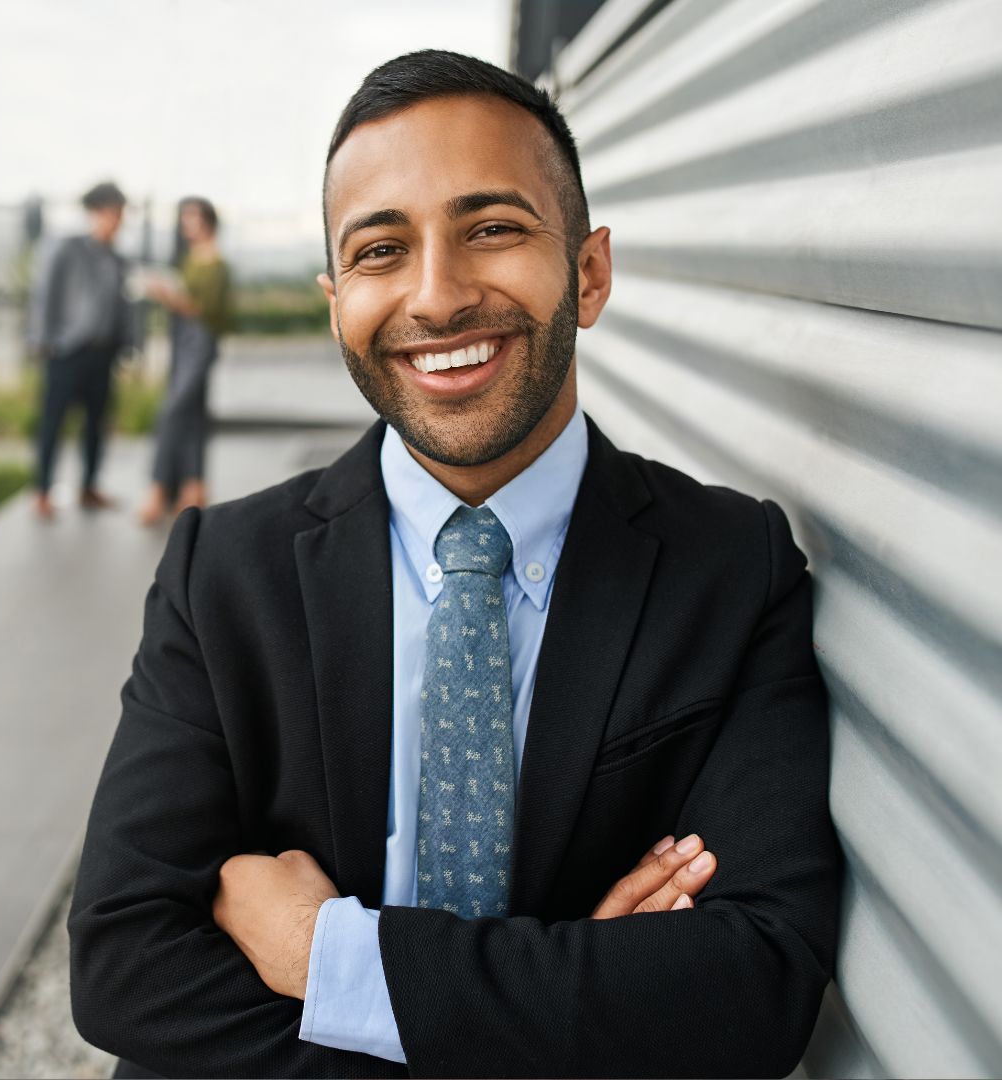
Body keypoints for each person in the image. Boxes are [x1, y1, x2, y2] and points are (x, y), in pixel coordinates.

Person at [69, 51, 839, 1079]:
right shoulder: (226, 573)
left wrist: (329, 957)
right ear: (336, 300)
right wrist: (569, 1003)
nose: (437, 297)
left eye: (493, 229)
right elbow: (125, 962)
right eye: (382, 250)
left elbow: (755, 980)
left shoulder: (731, 568)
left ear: (591, 271)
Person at [28, 181, 132, 519]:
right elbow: (46, 295)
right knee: (53, 422)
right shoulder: (67, 248)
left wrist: (128, 345)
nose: (119, 220)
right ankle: (42, 492)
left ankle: (88, 487)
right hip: (67, 352)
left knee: (96, 423)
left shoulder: (118, 258)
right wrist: (44, 342)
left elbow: (124, 306)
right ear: (98, 212)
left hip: (104, 354)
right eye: (115, 212)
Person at [137, 197, 232, 526]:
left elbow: (205, 311)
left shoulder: (216, 262)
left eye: (192, 217)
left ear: (207, 220)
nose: (186, 224)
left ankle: (158, 488)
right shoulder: (191, 258)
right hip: (181, 343)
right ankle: (193, 488)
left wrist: (167, 295)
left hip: (199, 344)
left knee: (172, 412)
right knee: (191, 416)